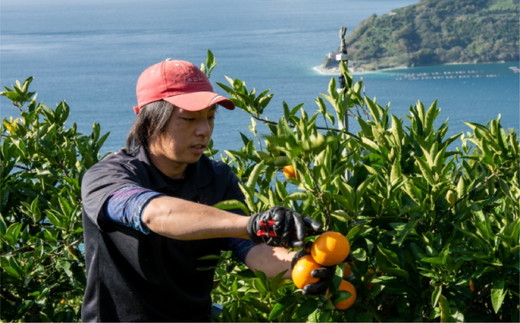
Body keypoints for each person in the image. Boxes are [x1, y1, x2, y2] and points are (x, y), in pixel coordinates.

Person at [81, 58, 333, 322]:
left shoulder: (217, 178)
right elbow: (153, 213)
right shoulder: (109, 177)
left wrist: (300, 267)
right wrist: (253, 224)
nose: (204, 131)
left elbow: (250, 248)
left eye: (210, 118)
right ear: (150, 122)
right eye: (189, 119)